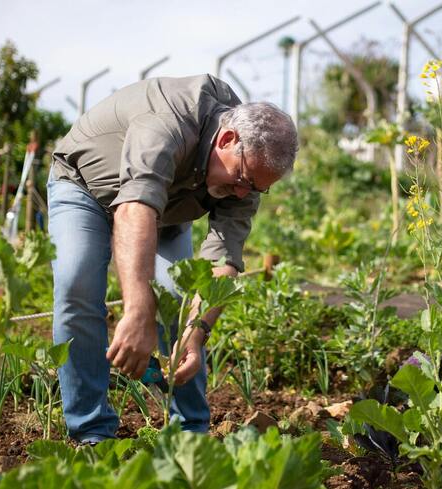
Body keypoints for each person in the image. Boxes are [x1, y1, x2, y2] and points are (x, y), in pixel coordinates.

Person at [47, 74, 297, 444]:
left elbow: (222, 261)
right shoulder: (167, 121)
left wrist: (195, 338)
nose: (244, 192)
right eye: (243, 178)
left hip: (166, 209)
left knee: (179, 300)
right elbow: (134, 210)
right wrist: (137, 311)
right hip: (85, 187)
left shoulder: (247, 174)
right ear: (226, 140)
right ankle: (92, 433)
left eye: (257, 188)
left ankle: (190, 433)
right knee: (77, 282)